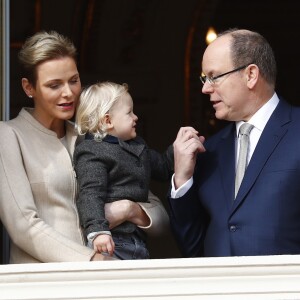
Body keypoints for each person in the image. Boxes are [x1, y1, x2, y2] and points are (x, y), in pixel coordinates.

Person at [0, 31, 169, 264]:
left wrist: (129, 209)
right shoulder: (9, 136)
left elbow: (159, 217)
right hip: (45, 284)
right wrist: (93, 262)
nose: (68, 93)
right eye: (54, 85)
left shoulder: (95, 138)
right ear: (29, 88)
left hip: (103, 281)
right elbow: (23, 226)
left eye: (73, 80)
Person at [168, 28, 300, 257]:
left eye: (214, 76)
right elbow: (192, 247)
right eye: (204, 78)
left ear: (251, 75)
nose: (205, 88)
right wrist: (182, 180)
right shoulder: (209, 150)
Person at [73, 81, 174, 260]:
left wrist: (178, 149)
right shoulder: (92, 151)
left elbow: (164, 169)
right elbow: (90, 193)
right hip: (111, 242)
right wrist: (98, 231)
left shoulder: (137, 146)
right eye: (129, 112)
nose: (136, 117)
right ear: (108, 120)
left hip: (137, 241)